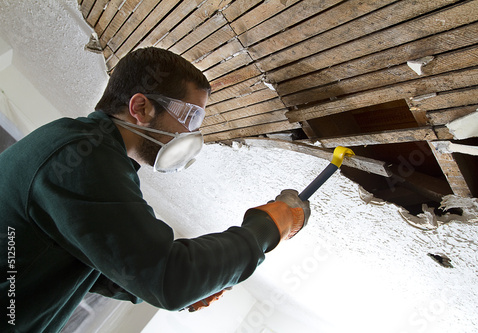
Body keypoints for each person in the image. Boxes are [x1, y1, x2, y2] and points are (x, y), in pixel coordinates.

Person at [0, 47, 310, 332]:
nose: (192, 132)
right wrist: (268, 226)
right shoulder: (81, 157)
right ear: (141, 107)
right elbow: (170, 277)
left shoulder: (83, 149)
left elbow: (99, 262)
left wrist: (190, 288)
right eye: (191, 117)